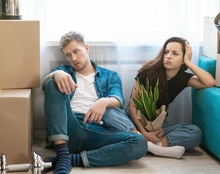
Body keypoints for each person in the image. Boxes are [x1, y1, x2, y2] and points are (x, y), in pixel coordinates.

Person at [42, 31, 147, 174]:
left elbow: (118, 100)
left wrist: (103, 101)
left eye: (76, 51)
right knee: (52, 83)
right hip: (70, 125)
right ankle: (62, 152)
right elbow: (46, 85)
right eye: (68, 55)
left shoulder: (109, 75)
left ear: (86, 48)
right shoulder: (63, 72)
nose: (73, 58)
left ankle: (68, 159)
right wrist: (55, 74)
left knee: (139, 143)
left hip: (97, 129)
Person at [128, 37, 215, 159]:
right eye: (166, 51)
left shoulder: (183, 78)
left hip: (157, 124)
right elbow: (132, 107)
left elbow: (209, 82)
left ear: (183, 58)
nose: (168, 56)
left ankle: (154, 146)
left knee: (195, 132)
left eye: (175, 54)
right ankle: (151, 144)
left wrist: (189, 62)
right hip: (135, 122)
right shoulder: (147, 74)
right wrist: (145, 133)